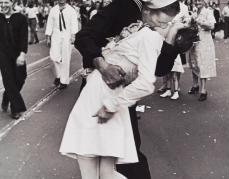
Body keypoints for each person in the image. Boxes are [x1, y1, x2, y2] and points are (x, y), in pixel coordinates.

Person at [60, 1, 185, 179]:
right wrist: (103, 65)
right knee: (106, 165)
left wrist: (171, 38)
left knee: (112, 164)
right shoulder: (122, 7)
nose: (164, 24)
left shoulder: (152, 30)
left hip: (117, 98)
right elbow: (84, 36)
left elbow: (160, 69)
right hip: (102, 94)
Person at [0, 0, 28, 119]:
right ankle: (15, 109)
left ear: (12, 3)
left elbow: (24, 37)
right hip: (2, 55)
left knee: (20, 78)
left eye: (6, 2)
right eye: (0, 2)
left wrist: (22, 54)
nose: (3, 5)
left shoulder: (20, 18)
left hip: (17, 53)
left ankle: (7, 96)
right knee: (9, 80)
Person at [45, 0, 79, 90]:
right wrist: (48, 36)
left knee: (65, 58)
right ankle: (58, 75)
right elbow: (50, 23)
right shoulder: (53, 10)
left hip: (66, 35)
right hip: (56, 34)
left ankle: (63, 81)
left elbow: (74, 24)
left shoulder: (71, 10)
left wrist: (73, 36)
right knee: (53, 56)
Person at [188, 0, 216, 101]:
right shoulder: (194, 11)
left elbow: (212, 26)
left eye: (199, 1)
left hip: (204, 41)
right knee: (194, 63)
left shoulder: (208, 11)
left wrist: (199, 22)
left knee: (202, 64)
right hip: (194, 41)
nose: (197, 2)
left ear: (204, 2)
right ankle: (195, 85)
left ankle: (203, 90)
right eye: (196, 1)